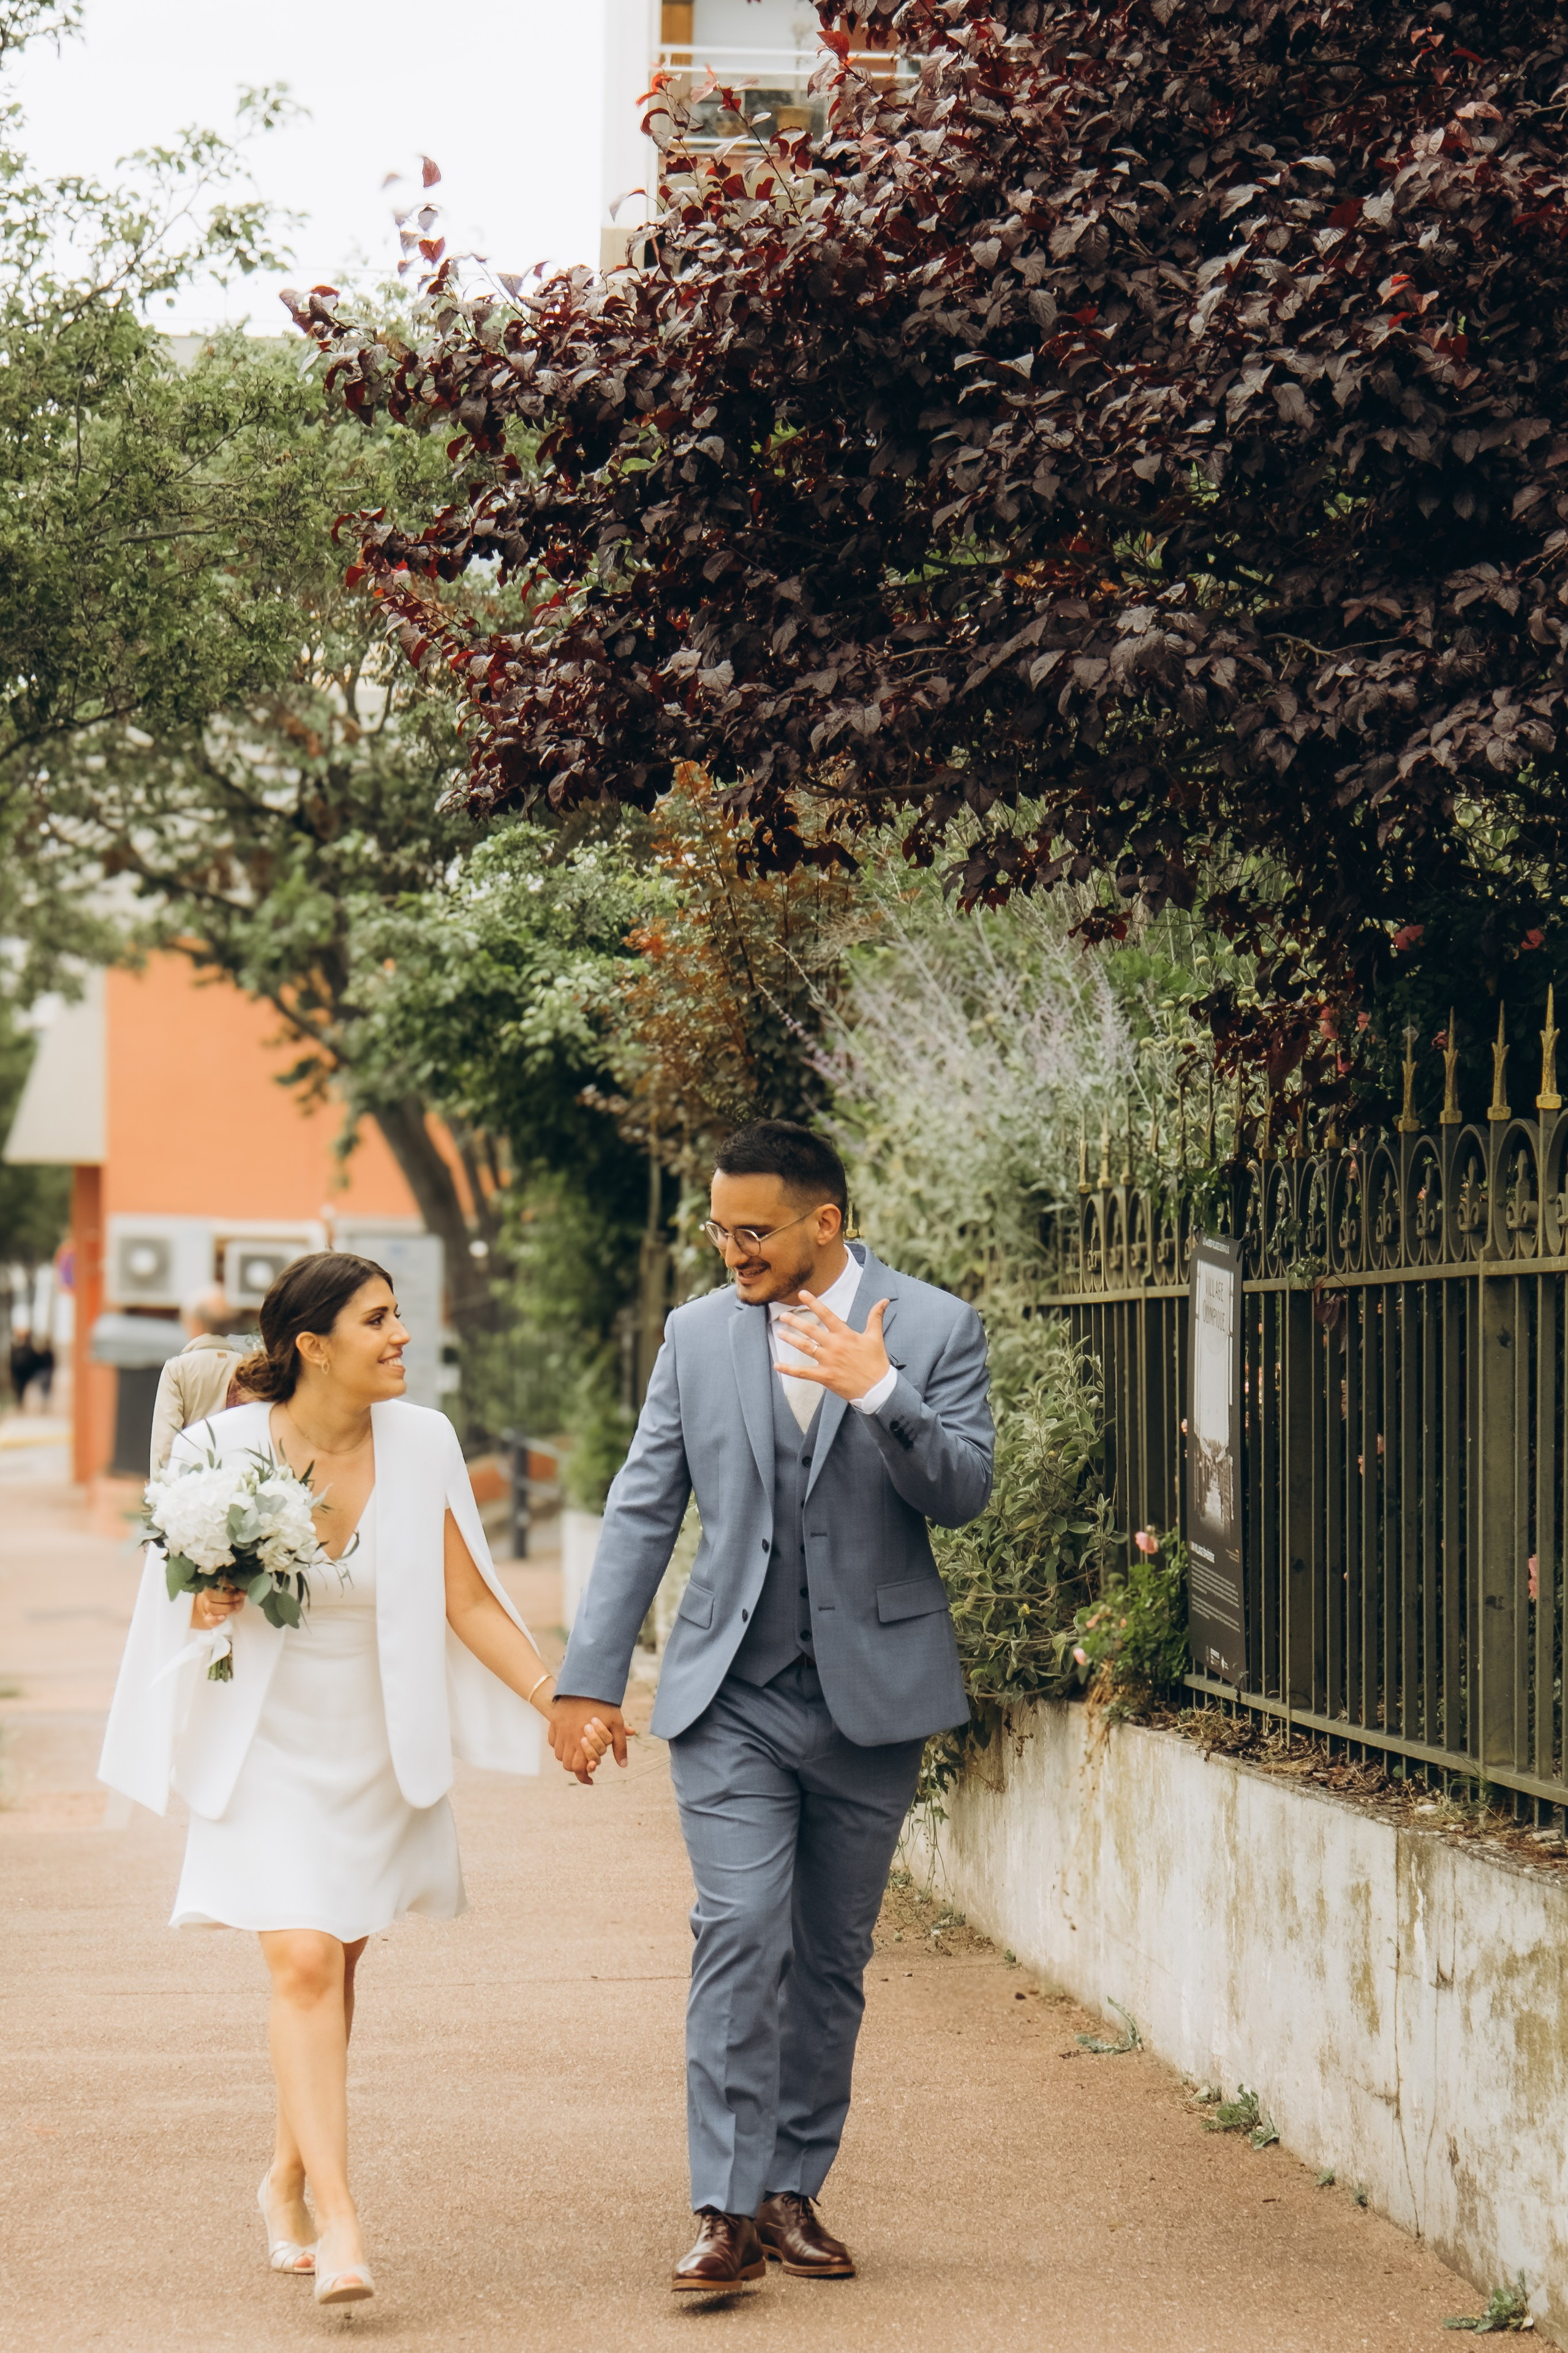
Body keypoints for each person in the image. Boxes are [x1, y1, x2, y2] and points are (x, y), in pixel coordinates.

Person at [98, 1252, 609, 2308]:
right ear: (312, 1347)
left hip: (377, 1746)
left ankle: (285, 2172)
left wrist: (560, 1699)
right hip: (265, 1742)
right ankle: (339, 2219)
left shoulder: (422, 1443)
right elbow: (170, 1588)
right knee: (299, 1961)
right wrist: (203, 1600)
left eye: (399, 1318)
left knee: (335, 1962)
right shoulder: (218, 1446)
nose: (401, 1337)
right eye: (378, 1321)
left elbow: (467, 1601)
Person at [550, 1120, 993, 2291]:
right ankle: (726, 2209)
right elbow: (646, 1503)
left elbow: (964, 1494)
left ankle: (795, 2187)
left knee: (831, 1953)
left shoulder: (937, 1326)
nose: (730, 1251)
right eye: (717, 1229)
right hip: (730, 1693)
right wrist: (588, 1677)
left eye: (752, 1231)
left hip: (872, 1702)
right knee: (740, 1927)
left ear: (825, 1224)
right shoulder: (698, 1334)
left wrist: (883, 1390)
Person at [148, 1286, 257, 1473]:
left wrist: (161, 1490)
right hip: (239, 1477)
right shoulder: (248, 1366)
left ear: (195, 1324)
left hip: (191, 1480)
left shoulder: (178, 1368)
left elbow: (165, 1441)